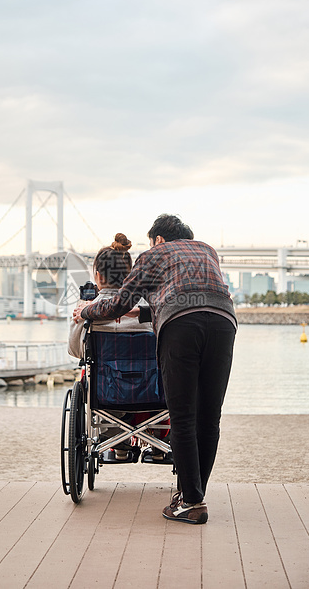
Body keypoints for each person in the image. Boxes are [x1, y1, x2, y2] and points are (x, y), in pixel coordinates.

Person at [73, 214, 237, 524]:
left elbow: (119, 304)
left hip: (181, 329)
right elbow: (195, 296)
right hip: (223, 322)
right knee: (209, 416)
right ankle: (191, 495)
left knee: (184, 416)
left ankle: (191, 501)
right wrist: (146, 310)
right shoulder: (207, 251)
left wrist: (86, 311)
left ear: (158, 240)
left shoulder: (154, 254)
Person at [68, 232, 154, 460]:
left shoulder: (86, 310)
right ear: (130, 276)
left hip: (107, 396)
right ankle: (159, 440)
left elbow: (76, 351)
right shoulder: (150, 310)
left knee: (93, 376)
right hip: (152, 395)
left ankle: (119, 443)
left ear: (97, 275)